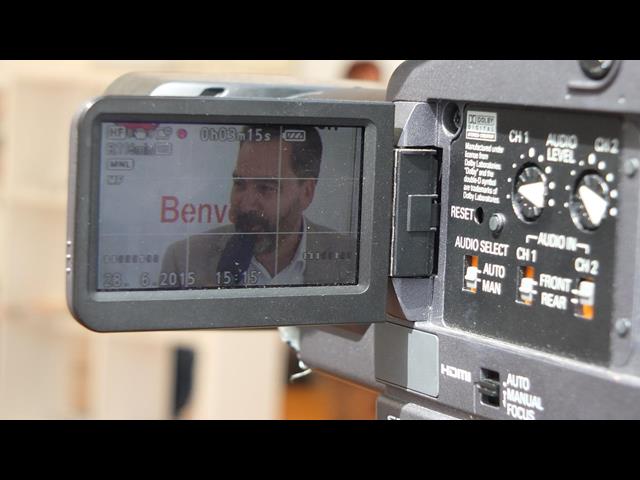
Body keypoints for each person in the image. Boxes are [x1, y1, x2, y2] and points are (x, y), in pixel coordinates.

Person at [160, 126, 356, 288]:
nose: (246, 205)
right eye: (239, 184)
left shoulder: (354, 259)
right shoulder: (183, 260)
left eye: (266, 188)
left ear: (306, 192)